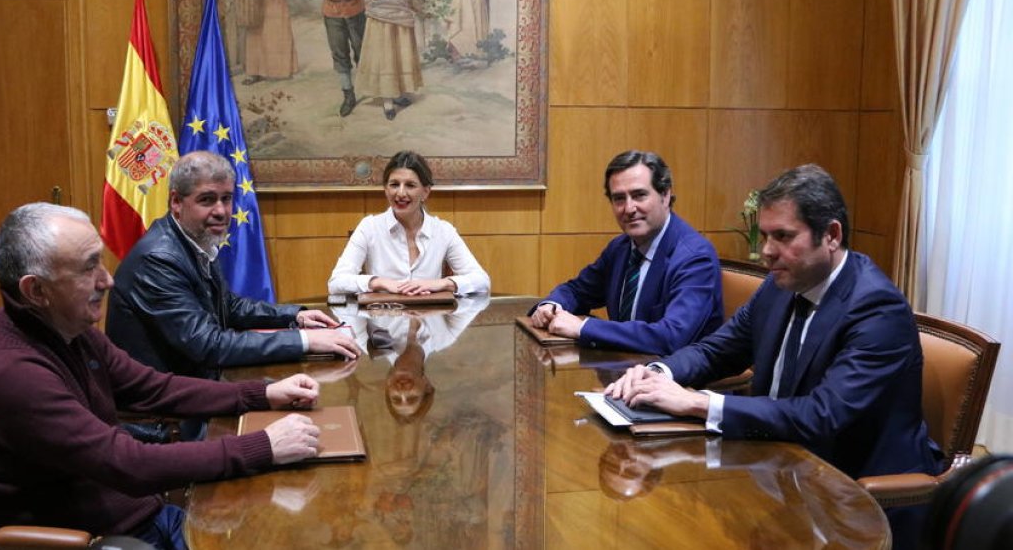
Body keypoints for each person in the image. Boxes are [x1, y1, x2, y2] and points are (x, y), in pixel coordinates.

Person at [0, 203, 325, 549]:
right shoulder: (12, 373)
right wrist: (263, 447)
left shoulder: (68, 330)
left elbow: (153, 388)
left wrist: (261, 394)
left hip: (134, 514)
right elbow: (127, 463)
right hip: (92, 539)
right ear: (36, 290)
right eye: (88, 267)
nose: (107, 280)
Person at [605, 165, 938, 545]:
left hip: (854, 499)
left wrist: (699, 403)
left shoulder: (877, 309)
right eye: (764, 235)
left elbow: (820, 416)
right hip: (780, 474)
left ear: (831, 235)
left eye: (782, 236)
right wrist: (658, 372)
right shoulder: (781, 285)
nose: (766, 251)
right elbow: (718, 350)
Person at [107, 151, 359, 381]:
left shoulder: (194, 239)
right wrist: (304, 341)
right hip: (163, 416)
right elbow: (207, 345)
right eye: (207, 200)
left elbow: (228, 306)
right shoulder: (158, 260)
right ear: (176, 202)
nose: (221, 211)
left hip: (194, 384)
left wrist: (293, 316)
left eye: (226, 199)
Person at [529, 150, 723, 354]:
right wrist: (552, 306)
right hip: (622, 370)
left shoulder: (694, 257)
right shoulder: (620, 248)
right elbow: (577, 290)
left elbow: (672, 337)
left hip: (678, 381)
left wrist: (584, 328)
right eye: (619, 199)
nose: (629, 208)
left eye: (639, 195)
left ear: (665, 196)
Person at [328, 151, 490, 296]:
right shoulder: (369, 227)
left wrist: (442, 284)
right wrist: (378, 282)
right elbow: (336, 282)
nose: (401, 193)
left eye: (410, 185)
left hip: (430, 323)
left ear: (425, 192)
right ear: (385, 189)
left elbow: (482, 281)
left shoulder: (444, 231)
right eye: (394, 185)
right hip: (382, 324)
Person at [348, 0, 422, 120]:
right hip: (381, 15)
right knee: (385, 56)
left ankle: (397, 94)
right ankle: (387, 101)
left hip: (402, 16)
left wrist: (422, 8)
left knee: (399, 55)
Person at [300, 0, 367, 117]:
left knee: (362, 50)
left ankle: (372, 88)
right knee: (340, 54)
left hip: (355, 9)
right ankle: (348, 95)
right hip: (333, 13)